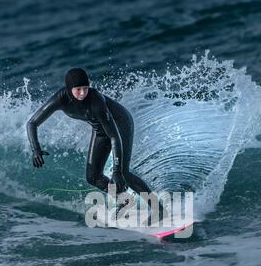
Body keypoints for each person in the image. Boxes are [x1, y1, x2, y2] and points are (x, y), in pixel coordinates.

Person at [27, 67, 164, 219]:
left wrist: (117, 172)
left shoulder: (96, 101)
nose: (82, 93)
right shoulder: (60, 99)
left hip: (120, 124)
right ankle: (125, 201)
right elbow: (32, 123)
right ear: (69, 88)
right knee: (93, 177)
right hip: (99, 128)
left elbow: (114, 137)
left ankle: (160, 210)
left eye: (85, 88)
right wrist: (36, 149)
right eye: (78, 89)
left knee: (123, 173)